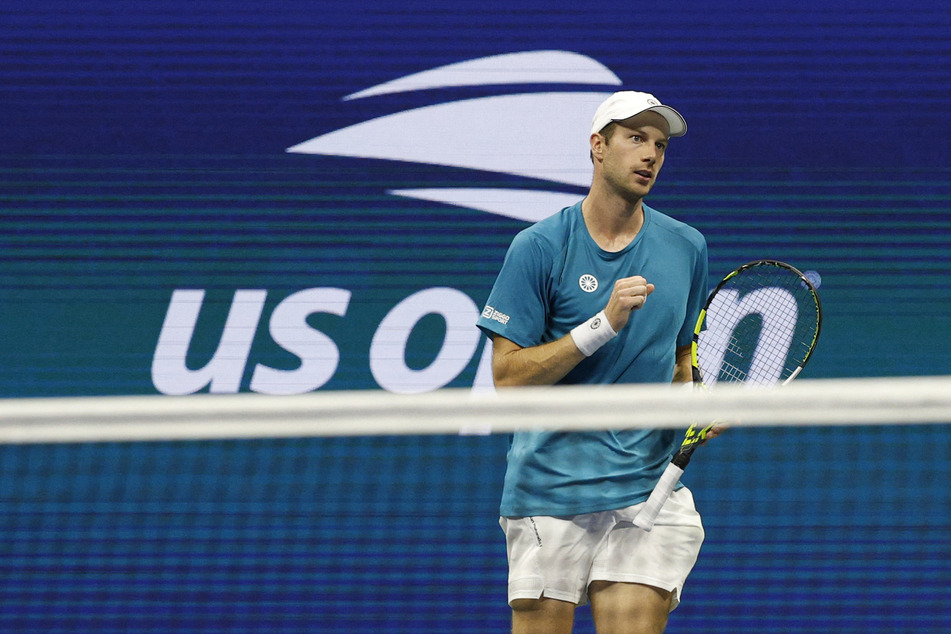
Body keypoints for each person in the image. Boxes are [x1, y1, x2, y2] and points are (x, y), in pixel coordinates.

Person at [476, 91, 714, 634]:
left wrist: (699, 407)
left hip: (645, 491)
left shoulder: (686, 247)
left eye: (659, 144)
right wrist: (601, 325)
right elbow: (508, 379)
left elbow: (682, 357)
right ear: (598, 147)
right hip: (549, 488)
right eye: (635, 138)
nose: (651, 154)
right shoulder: (538, 247)